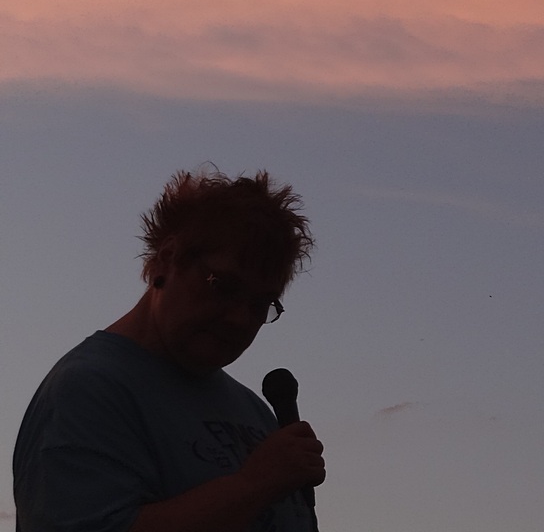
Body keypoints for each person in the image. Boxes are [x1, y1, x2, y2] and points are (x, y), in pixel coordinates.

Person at [13, 169, 326, 532]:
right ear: (167, 259)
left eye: (260, 303)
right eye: (222, 286)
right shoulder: (87, 390)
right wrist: (252, 487)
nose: (240, 319)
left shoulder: (257, 413)